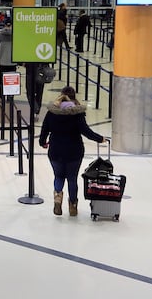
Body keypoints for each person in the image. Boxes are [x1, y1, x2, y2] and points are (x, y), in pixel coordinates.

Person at [38, 86, 105, 217]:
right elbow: (86, 131)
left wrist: (42, 142)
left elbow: (44, 129)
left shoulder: (52, 112)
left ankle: (58, 199)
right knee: (72, 179)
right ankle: (73, 206)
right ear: (74, 97)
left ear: (61, 96)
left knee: (58, 176)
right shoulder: (77, 113)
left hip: (55, 150)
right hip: (74, 151)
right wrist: (100, 139)